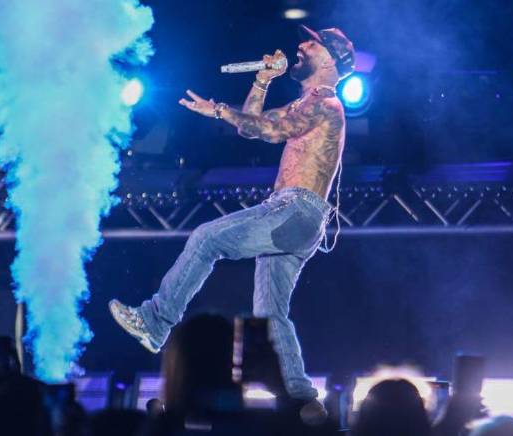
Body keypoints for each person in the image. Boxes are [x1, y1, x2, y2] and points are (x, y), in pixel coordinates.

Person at [109, 25, 356, 405]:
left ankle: (156, 322)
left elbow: (269, 130)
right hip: (298, 219)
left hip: (295, 210)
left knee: (207, 238)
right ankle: (301, 399)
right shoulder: (308, 105)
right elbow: (252, 128)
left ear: (330, 59)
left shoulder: (326, 105)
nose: (301, 46)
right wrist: (261, 81)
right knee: (271, 314)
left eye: (312, 43)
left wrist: (223, 110)